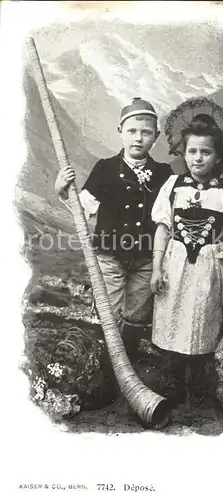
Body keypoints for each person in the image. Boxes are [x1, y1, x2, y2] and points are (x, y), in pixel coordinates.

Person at [150, 113, 223, 408]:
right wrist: (156, 268)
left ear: (218, 156)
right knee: (171, 318)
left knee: (204, 319)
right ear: (183, 153)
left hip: (207, 264)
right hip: (175, 262)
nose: (198, 158)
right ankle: (173, 383)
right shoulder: (173, 185)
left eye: (206, 152)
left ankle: (200, 385)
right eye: (192, 151)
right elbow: (162, 228)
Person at [55, 98, 172, 362]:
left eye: (146, 132)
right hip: (109, 257)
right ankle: (104, 368)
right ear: (120, 131)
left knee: (137, 316)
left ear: (156, 136)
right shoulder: (105, 169)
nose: (138, 138)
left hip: (145, 260)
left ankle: (127, 367)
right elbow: (83, 208)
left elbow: (169, 217)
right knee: (108, 314)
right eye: (132, 131)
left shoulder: (164, 173)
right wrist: (62, 191)